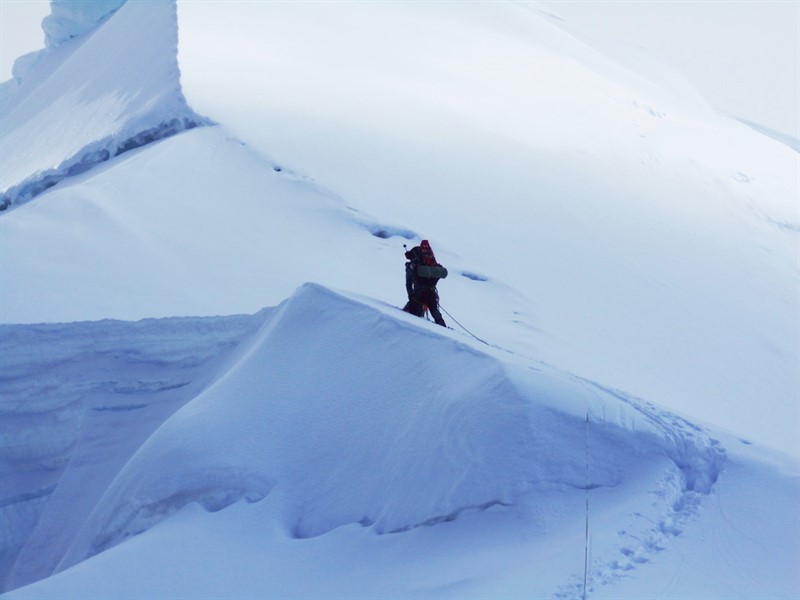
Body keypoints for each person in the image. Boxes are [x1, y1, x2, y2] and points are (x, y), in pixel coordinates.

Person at [402, 239, 447, 327]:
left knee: (413, 311)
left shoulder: (413, 267)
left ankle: (413, 330)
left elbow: (408, 284)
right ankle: (443, 328)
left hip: (418, 293)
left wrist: (410, 295)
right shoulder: (431, 264)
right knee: (435, 311)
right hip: (431, 292)